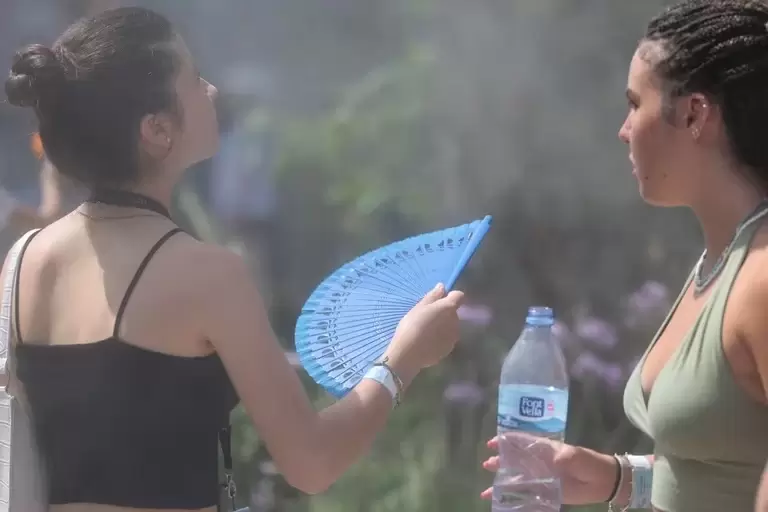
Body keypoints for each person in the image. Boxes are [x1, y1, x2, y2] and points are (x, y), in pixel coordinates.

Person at [2, 7, 464, 512]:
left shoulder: (24, 259)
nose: (213, 91)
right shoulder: (207, 275)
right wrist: (404, 359)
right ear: (157, 129)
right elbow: (311, 462)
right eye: (195, 79)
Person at [482, 1, 768, 511]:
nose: (624, 129)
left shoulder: (762, 277)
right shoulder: (721, 262)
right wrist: (620, 478)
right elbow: (722, 468)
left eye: (636, 104)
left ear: (693, 114)